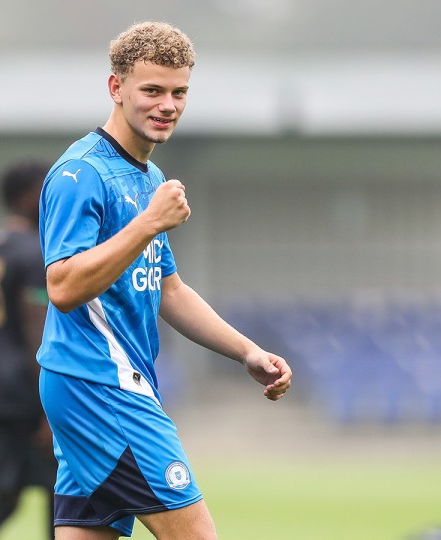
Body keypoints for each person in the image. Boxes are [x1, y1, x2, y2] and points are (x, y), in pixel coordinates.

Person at [37, 22, 293, 540]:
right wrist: (149, 222)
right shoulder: (81, 173)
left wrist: (246, 350)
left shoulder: (148, 178)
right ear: (116, 88)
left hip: (105, 382)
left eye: (179, 93)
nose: (167, 105)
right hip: (99, 383)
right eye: (152, 90)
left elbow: (169, 290)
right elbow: (62, 286)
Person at [0, 161, 56, 539]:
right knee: (63, 495)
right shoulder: (34, 254)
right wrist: (49, 408)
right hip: (28, 394)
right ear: (28, 197)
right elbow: (36, 331)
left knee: (8, 496)